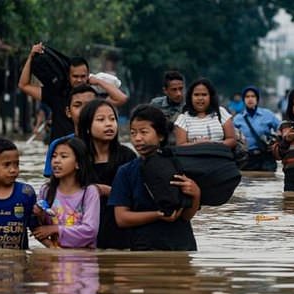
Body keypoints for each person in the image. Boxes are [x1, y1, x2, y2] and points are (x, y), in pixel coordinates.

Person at [109, 105, 201, 251]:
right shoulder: (126, 172)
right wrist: (157, 215)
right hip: (144, 249)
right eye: (133, 133)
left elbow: (186, 216)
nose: (137, 138)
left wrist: (196, 194)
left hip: (181, 246)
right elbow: (122, 218)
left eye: (144, 132)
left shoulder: (178, 164)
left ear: (160, 135)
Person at [18, 42, 128, 141]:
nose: (79, 80)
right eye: (75, 76)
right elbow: (24, 85)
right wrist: (31, 57)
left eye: (83, 76)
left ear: (88, 75)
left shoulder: (93, 98)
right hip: (61, 153)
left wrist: (98, 81)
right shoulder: (56, 95)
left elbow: (121, 98)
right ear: (68, 76)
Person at [78, 99, 136, 249]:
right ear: (87, 127)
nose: (109, 124)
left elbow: (137, 197)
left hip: (120, 234)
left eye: (112, 119)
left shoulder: (127, 156)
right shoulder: (78, 158)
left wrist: (108, 191)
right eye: (101, 120)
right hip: (85, 233)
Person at [33, 137, 100, 248]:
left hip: (84, 259)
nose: (56, 161)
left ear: (78, 163)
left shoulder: (89, 192)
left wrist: (56, 229)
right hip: (54, 257)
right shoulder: (46, 190)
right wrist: (40, 215)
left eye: (63, 156)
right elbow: (38, 228)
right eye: (54, 156)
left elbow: (90, 231)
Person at [42, 84, 97, 178]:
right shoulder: (57, 145)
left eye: (89, 105)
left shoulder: (106, 144)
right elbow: (53, 185)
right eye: (77, 105)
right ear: (68, 112)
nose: (83, 110)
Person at [174, 77, 236, 149]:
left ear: (210, 96)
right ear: (190, 97)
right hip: (192, 159)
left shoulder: (221, 112)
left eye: (204, 94)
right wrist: (197, 144)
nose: (200, 98)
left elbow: (232, 140)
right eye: (196, 95)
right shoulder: (183, 118)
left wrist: (212, 145)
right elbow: (180, 146)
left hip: (220, 158)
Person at [233, 85, 280, 172]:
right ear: (243, 100)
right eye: (247, 97)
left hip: (266, 158)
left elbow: (282, 129)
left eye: (253, 96)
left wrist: (276, 142)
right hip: (246, 159)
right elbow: (232, 138)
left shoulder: (268, 114)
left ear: (257, 99)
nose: (250, 99)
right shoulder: (237, 119)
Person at [150, 71, 185, 145]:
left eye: (181, 89)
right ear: (165, 90)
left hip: (181, 146)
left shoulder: (189, 106)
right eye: (174, 90)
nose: (179, 93)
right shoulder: (156, 104)